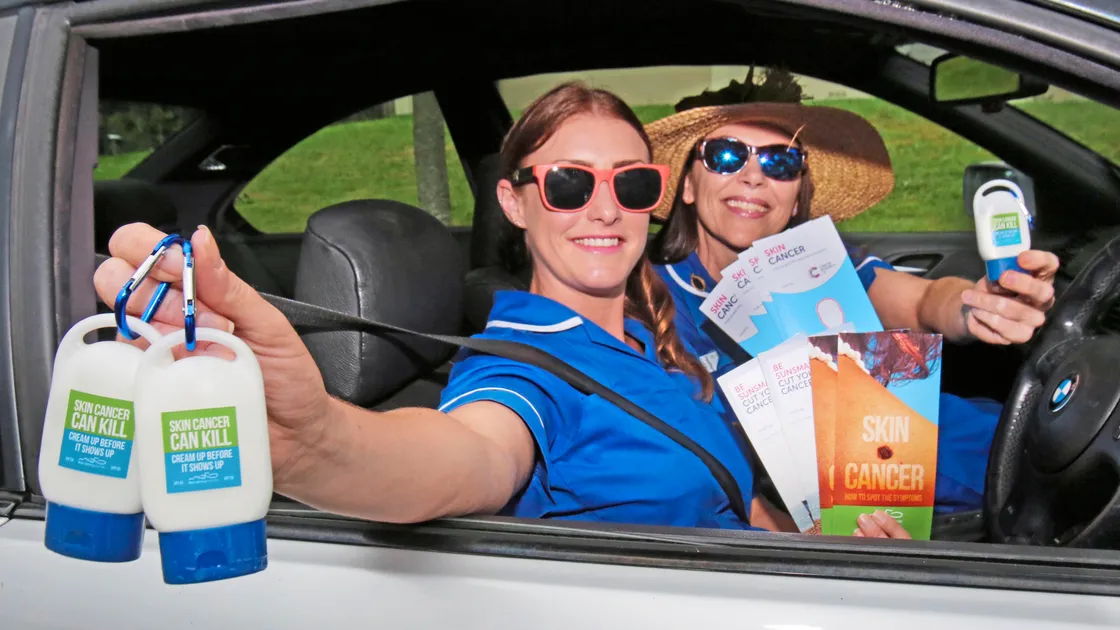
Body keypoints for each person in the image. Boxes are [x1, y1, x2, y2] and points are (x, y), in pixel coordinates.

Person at [93, 82, 910, 538]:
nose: (603, 209)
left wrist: (815, 546)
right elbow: (465, 456)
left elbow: (733, 493)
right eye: (567, 184)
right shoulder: (517, 367)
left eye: (630, 183)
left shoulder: (666, 327)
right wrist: (314, 442)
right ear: (517, 204)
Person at [646, 101, 1059, 515]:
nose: (753, 176)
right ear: (687, 185)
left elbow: (923, 301)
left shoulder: (822, 264)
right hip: (838, 516)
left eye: (781, 162)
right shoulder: (646, 295)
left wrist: (979, 304)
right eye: (726, 155)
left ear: (795, 199)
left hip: (953, 450)